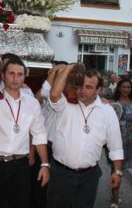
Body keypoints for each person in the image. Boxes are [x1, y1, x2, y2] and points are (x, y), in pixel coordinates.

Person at [47, 65, 124, 208]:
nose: (82, 91)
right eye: (80, 86)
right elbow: (53, 95)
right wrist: (69, 68)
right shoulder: (66, 104)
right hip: (60, 174)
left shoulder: (107, 112)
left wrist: (118, 172)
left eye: (88, 87)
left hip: (89, 177)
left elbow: (116, 146)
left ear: (99, 90)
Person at [0, 56, 49, 208]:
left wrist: (44, 164)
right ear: (3, 75)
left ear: (25, 76)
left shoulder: (32, 103)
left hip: (20, 166)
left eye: (20, 74)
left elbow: (39, 134)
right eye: (11, 73)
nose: (15, 78)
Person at [111, 79, 132, 207]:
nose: (126, 89)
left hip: (131, 140)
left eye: (128, 87)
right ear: (119, 88)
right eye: (123, 87)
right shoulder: (114, 103)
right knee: (116, 170)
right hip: (116, 139)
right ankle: (115, 199)